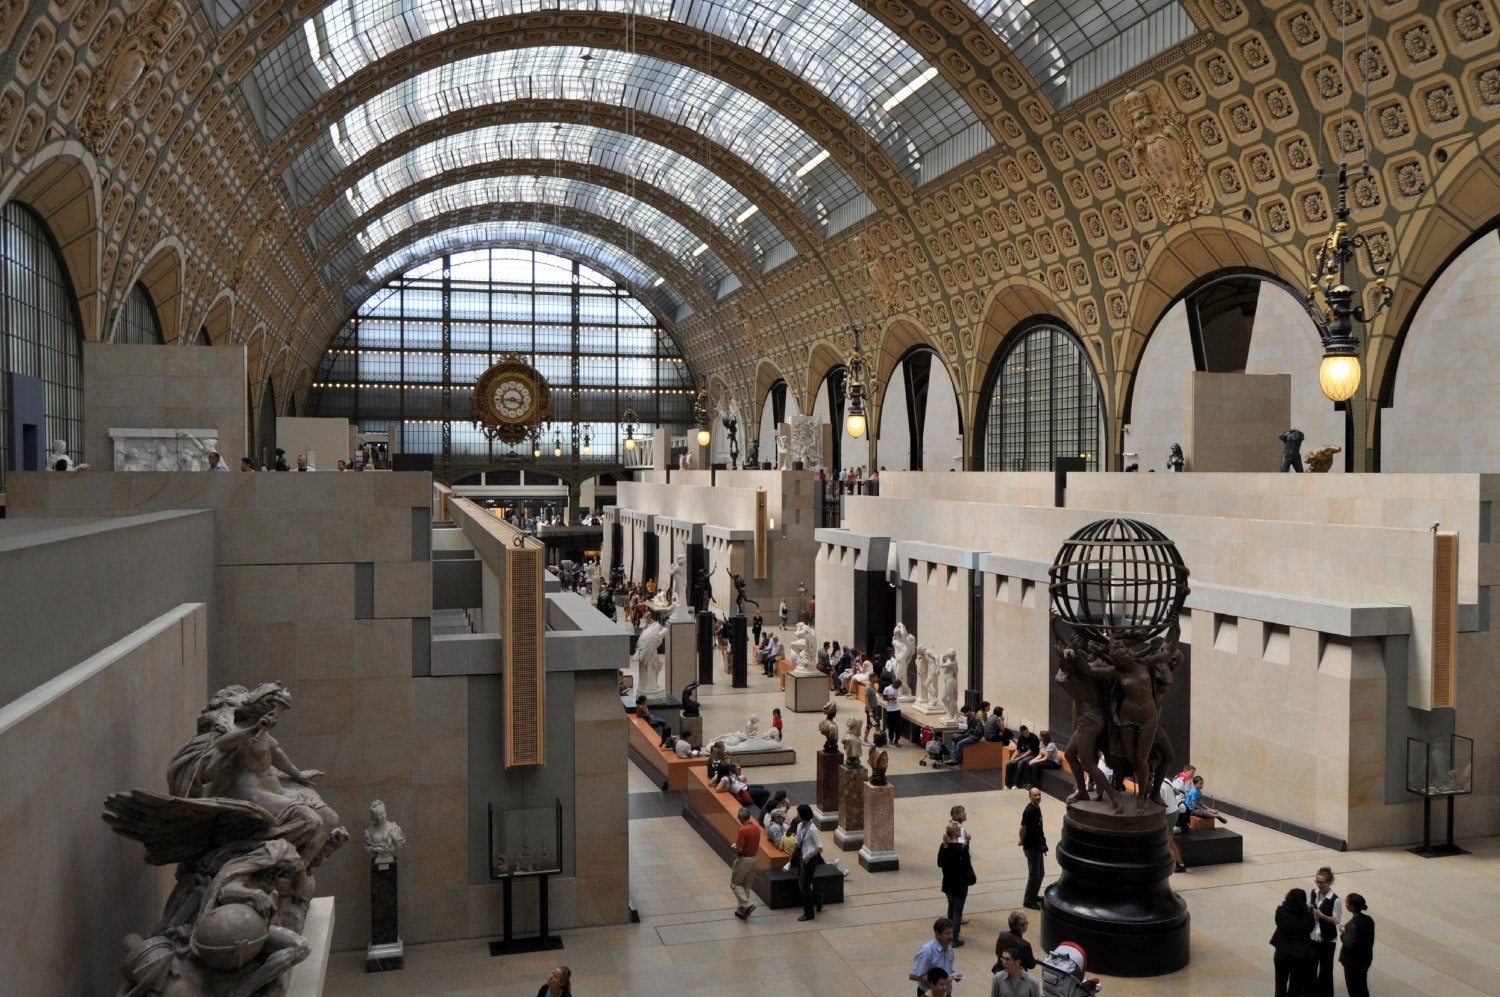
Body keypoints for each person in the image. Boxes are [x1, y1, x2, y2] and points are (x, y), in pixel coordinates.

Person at [1271, 887, 1316, 996]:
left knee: (1280, 981)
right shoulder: (1308, 917)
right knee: (1295, 984)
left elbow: (1278, 922)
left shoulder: (1280, 911)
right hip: (1299, 955)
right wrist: (1307, 911)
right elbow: (1310, 929)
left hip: (1281, 952)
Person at [937, 822, 974, 948]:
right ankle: (955, 938)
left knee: (951, 907)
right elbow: (967, 865)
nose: (961, 832)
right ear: (955, 833)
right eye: (959, 830)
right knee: (958, 911)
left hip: (948, 882)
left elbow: (940, 863)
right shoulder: (960, 848)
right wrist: (967, 845)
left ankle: (947, 933)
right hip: (960, 883)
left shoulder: (944, 846)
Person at [1308, 866, 1344, 996]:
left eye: (1322, 882)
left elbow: (1336, 921)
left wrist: (1321, 915)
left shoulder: (1335, 900)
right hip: (1313, 937)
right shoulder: (1313, 893)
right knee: (1311, 967)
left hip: (1327, 940)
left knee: (1326, 969)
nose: (1319, 884)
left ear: (1329, 882)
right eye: (1317, 881)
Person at [909, 917, 960, 996]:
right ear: (937, 934)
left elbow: (945, 969)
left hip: (945, 993)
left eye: (951, 932)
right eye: (947, 933)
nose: (951, 936)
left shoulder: (949, 948)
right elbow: (913, 975)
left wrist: (953, 974)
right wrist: (939, 980)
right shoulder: (927, 951)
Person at [793, 804, 825, 921]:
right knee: (802, 884)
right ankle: (818, 897)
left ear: (802, 815)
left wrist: (809, 855)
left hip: (810, 860)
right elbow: (798, 842)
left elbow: (820, 847)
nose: (796, 815)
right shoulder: (800, 826)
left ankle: (809, 913)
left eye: (798, 813)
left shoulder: (812, 829)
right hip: (802, 858)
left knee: (805, 886)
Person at [1338, 892, 1374, 997]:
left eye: (1347, 903)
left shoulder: (1353, 924)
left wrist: (1343, 933)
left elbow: (1348, 943)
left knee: (1354, 989)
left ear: (1352, 907)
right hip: (1365, 959)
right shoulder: (1369, 920)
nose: (1346, 905)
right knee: (1362, 985)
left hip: (1353, 962)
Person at [730, 806, 761, 920]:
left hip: (745, 860)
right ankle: (742, 910)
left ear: (740, 818)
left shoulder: (742, 830)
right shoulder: (757, 828)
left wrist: (734, 847)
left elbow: (739, 849)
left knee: (735, 883)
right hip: (754, 858)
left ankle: (746, 904)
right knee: (746, 885)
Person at [1019, 787, 1046, 909]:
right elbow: (1022, 828)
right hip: (1032, 847)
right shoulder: (1029, 810)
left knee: (1040, 873)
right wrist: (1022, 840)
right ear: (1030, 796)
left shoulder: (1036, 807)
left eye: (1039, 794)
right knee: (1034, 874)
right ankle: (1028, 900)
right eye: (1035, 795)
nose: (1038, 797)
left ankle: (1034, 895)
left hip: (1038, 845)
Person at [882, 678, 904, 746]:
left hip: (897, 709)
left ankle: (896, 740)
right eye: (898, 686)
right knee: (891, 726)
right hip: (890, 710)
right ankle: (890, 739)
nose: (899, 687)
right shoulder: (887, 689)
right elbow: (884, 698)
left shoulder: (897, 689)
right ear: (895, 684)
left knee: (898, 726)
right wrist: (891, 698)